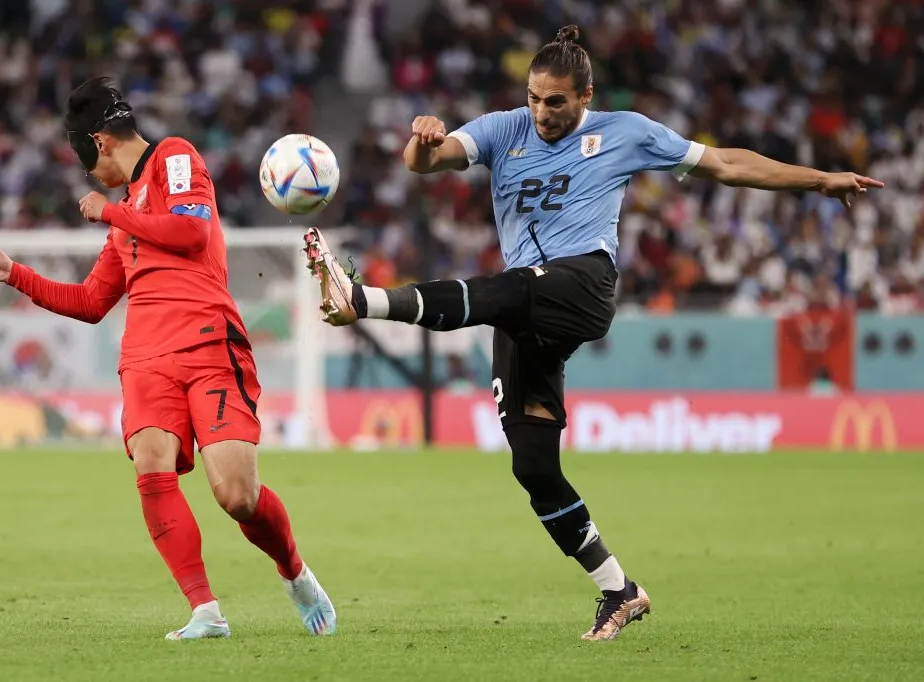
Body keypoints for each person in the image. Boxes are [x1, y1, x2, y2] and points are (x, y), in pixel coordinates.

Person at [302, 25, 882, 641]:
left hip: (583, 285)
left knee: (510, 289)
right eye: (533, 98)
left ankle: (362, 299)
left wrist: (820, 180)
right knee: (533, 467)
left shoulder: (627, 132)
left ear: (585, 96)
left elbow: (728, 165)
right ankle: (618, 589)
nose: (542, 112)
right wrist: (422, 142)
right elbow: (427, 163)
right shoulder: (504, 130)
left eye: (555, 101)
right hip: (528, 308)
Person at [0, 77, 336, 641]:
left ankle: (294, 571)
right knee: (151, 466)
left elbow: (191, 233)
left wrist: (111, 214)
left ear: (99, 143)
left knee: (236, 496)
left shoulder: (174, 157)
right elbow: (92, 301)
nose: (92, 178)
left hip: (208, 341)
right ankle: (205, 611)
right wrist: (15, 273)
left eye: (86, 161)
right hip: (145, 357)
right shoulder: (123, 219)